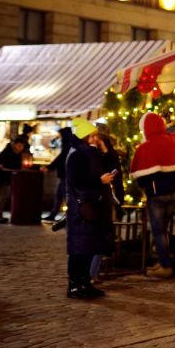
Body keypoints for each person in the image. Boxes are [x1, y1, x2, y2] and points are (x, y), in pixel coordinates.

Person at [63, 119, 116, 299]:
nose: (95, 139)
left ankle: (85, 282)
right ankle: (75, 285)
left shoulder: (93, 153)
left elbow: (112, 166)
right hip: (82, 209)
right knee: (80, 248)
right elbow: (75, 181)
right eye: (92, 136)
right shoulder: (78, 155)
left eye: (96, 135)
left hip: (94, 206)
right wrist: (99, 181)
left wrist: (106, 151)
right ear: (84, 137)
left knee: (90, 246)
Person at [130, 113, 175, 280]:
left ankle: (166, 267)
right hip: (173, 193)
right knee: (165, 230)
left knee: (158, 232)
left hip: (156, 195)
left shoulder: (146, 148)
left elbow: (141, 176)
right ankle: (163, 261)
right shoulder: (172, 141)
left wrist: (144, 188)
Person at [0, 136, 27, 223]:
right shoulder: (6, 152)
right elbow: (1, 166)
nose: (21, 148)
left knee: (4, 195)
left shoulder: (20, 154)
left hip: (6, 178)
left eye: (22, 146)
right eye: (19, 145)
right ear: (14, 145)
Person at [44, 127, 75, 221]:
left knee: (62, 195)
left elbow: (61, 158)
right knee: (61, 195)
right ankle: (58, 214)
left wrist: (49, 167)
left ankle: (64, 216)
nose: (60, 137)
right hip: (66, 174)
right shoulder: (70, 144)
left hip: (66, 175)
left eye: (61, 135)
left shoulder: (67, 145)